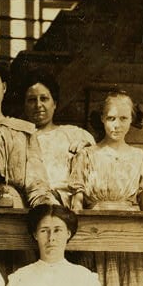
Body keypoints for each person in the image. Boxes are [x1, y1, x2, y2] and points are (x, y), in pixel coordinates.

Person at [67, 89, 143, 286]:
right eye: (111, 118)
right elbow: (77, 202)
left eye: (123, 118)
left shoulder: (140, 157)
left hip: (130, 236)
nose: (117, 124)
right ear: (102, 118)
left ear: (132, 120)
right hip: (96, 235)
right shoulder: (86, 155)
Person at [0, 60, 56, 210]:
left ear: (4, 87)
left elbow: (36, 181)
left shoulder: (23, 131)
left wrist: (45, 207)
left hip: (15, 207)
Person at [20, 71, 95, 208]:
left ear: (54, 104)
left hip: (70, 207)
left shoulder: (74, 134)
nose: (38, 105)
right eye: (31, 100)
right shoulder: (19, 138)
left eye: (44, 99)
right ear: (24, 105)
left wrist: (89, 149)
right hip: (32, 206)